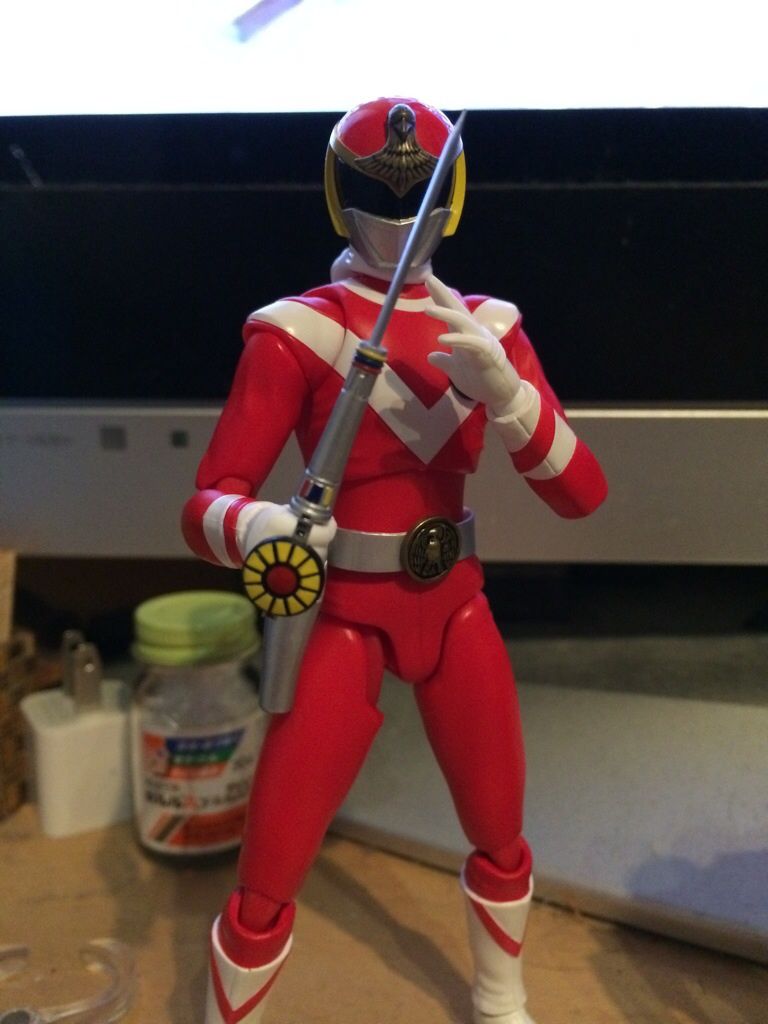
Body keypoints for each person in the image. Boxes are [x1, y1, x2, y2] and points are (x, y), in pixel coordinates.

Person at [182, 96, 607, 1024]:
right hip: (343, 615)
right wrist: (260, 529)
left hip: (455, 605)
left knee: (500, 831)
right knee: (271, 867)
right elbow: (206, 503)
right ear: (340, 197)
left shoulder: (490, 327)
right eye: (378, 195)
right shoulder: (299, 332)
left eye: (416, 197)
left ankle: (500, 997)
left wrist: (510, 398)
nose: (396, 218)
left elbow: (582, 493)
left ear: (452, 199)